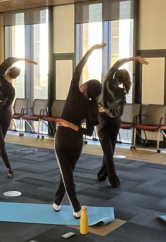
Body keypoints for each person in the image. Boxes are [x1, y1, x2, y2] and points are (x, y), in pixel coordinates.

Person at [52, 43, 106, 218]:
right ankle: (57, 202)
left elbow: (78, 68)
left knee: (68, 176)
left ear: (85, 86)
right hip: (76, 144)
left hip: (62, 142)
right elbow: (89, 132)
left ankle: (76, 208)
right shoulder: (91, 106)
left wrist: (91, 50)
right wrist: (73, 125)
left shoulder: (73, 92)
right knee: (66, 174)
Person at [97, 56, 148, 187]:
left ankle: (110, 178)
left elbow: (118, 62)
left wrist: (135, 58)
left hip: (102, 120)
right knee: (110, 150)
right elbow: (118, 113)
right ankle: (105, 175)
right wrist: (109, 110)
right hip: (114, 122)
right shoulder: (121, 93)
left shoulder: (106, 79)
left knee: (107, 151)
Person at [0, 57, 38, 178]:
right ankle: (2, 166)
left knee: (1, 141)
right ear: (15, 77)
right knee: (1, 141)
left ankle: (3, 166)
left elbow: (8, 61)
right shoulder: (11, 90)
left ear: (8, 71)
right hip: (5, 114)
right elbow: (4, 106)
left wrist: (23, 59)